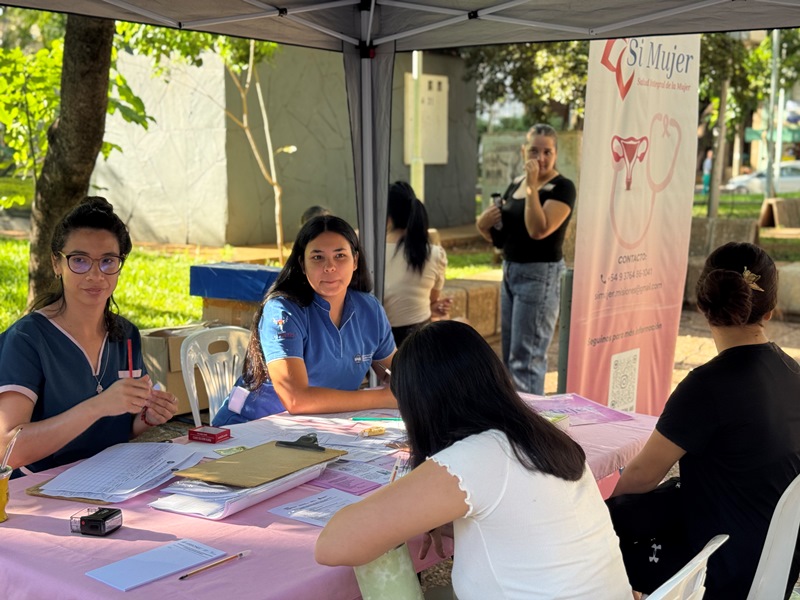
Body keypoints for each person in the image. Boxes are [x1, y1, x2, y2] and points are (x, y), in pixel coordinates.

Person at [315, 320, 632, 600]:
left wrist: (405, 507)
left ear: (421, 406)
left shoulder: (475, 457)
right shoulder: (538, 435)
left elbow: (333, 544)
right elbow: (518, 518)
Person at [608, 242, 800, 599]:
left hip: (718, 569)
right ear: (771, 310)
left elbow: (640, 476)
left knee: (602, 545)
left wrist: (601, 524)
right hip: (777, 563)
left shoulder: (707, 386)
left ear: (702, 305)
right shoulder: (794, 374)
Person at [0, 197, 178, 476]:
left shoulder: (125, 334)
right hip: (40, 491)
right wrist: (98, 406)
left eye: (108, 261)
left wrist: (147, 418)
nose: (95, 275)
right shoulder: (27, 339)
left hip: (110, 479)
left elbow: (121, 425)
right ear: (56, 264)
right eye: (79, 260)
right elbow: (8, 448)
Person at [212, 215, 397, 425]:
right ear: (302, 263)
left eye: (340, 256)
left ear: (355, 261)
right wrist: (383, 397)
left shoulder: (369, 308)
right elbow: (295, 399)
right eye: (318, 257)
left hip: (321, 429)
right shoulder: (283, 310)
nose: (329, 267)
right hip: (251, 427)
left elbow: (397, 374)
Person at [476, 124, 576, 395]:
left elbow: (538, 230)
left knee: (526, 359)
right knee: (509, 357)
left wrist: (532, 187)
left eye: (547, 152)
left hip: (540, 275)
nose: (540, 158)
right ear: (524, 151)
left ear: (556, 154)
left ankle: (531, 429)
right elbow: (501, 239)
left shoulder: (562, 187)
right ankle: (514, 421)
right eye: (534, 150)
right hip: (511, 270)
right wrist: (482, 224)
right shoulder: (515, 185)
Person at [383, 181, 450, 347]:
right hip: (420, 343)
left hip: (380, 345)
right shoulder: (435, 254)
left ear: (387, 215)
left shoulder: (367, 251)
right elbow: (432, 300)